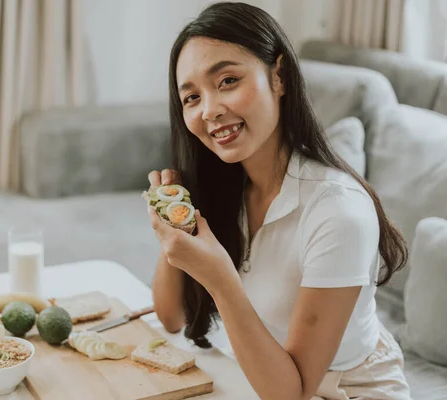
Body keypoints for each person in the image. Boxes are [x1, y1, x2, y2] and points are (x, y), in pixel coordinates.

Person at [146, 2, 412, 399]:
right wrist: (173, 230)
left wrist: (222, 280)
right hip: (255, 377)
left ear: (279, 76)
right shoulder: (224, 186)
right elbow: (172, 317)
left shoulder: (338, 211)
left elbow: (292, 394)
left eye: (227, 81)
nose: (210, 111)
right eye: (191, 98)